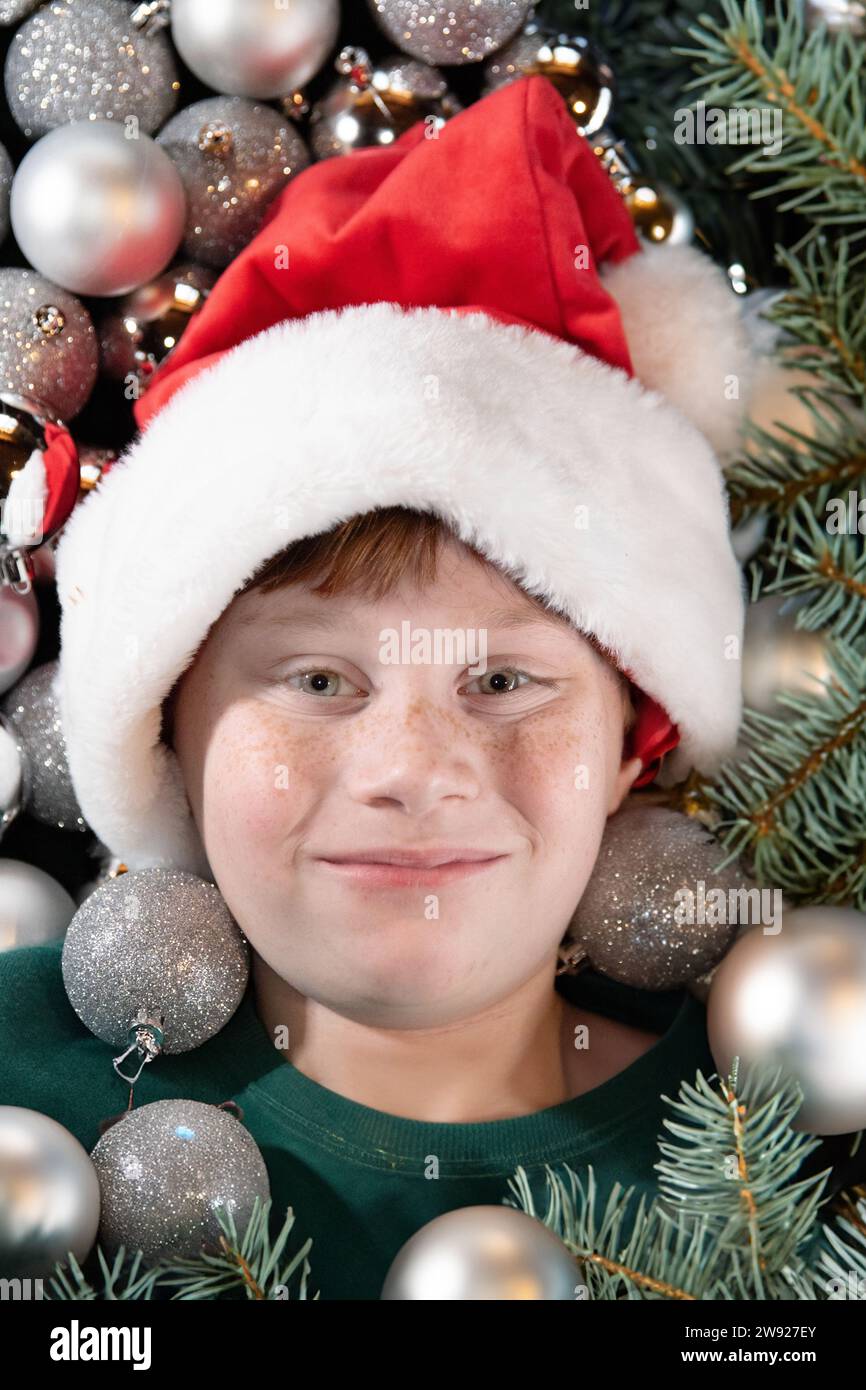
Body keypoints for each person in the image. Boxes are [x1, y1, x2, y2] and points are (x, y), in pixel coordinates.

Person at [2, 75, 764, 1299]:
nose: (412, 770)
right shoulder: (17, 1092)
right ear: (168, 726)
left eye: (505, 678)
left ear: (635, 736)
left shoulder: (784, 1159)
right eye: (315, 677)